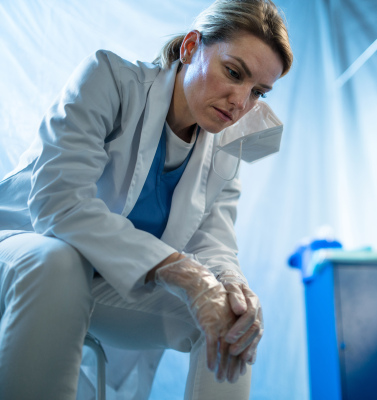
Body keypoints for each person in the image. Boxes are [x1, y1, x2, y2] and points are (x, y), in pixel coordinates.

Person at [0, 0, 293, 398]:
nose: (241, 102)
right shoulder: (109, 78)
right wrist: (186, 274)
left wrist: (232, 285)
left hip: (101, 280)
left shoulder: (229, 144)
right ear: (191, 46)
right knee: (60, 261)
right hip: (22, 249)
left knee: (230, 321)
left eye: (258, 91)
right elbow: (58, 202)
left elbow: (214, 241)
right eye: (234, 72)